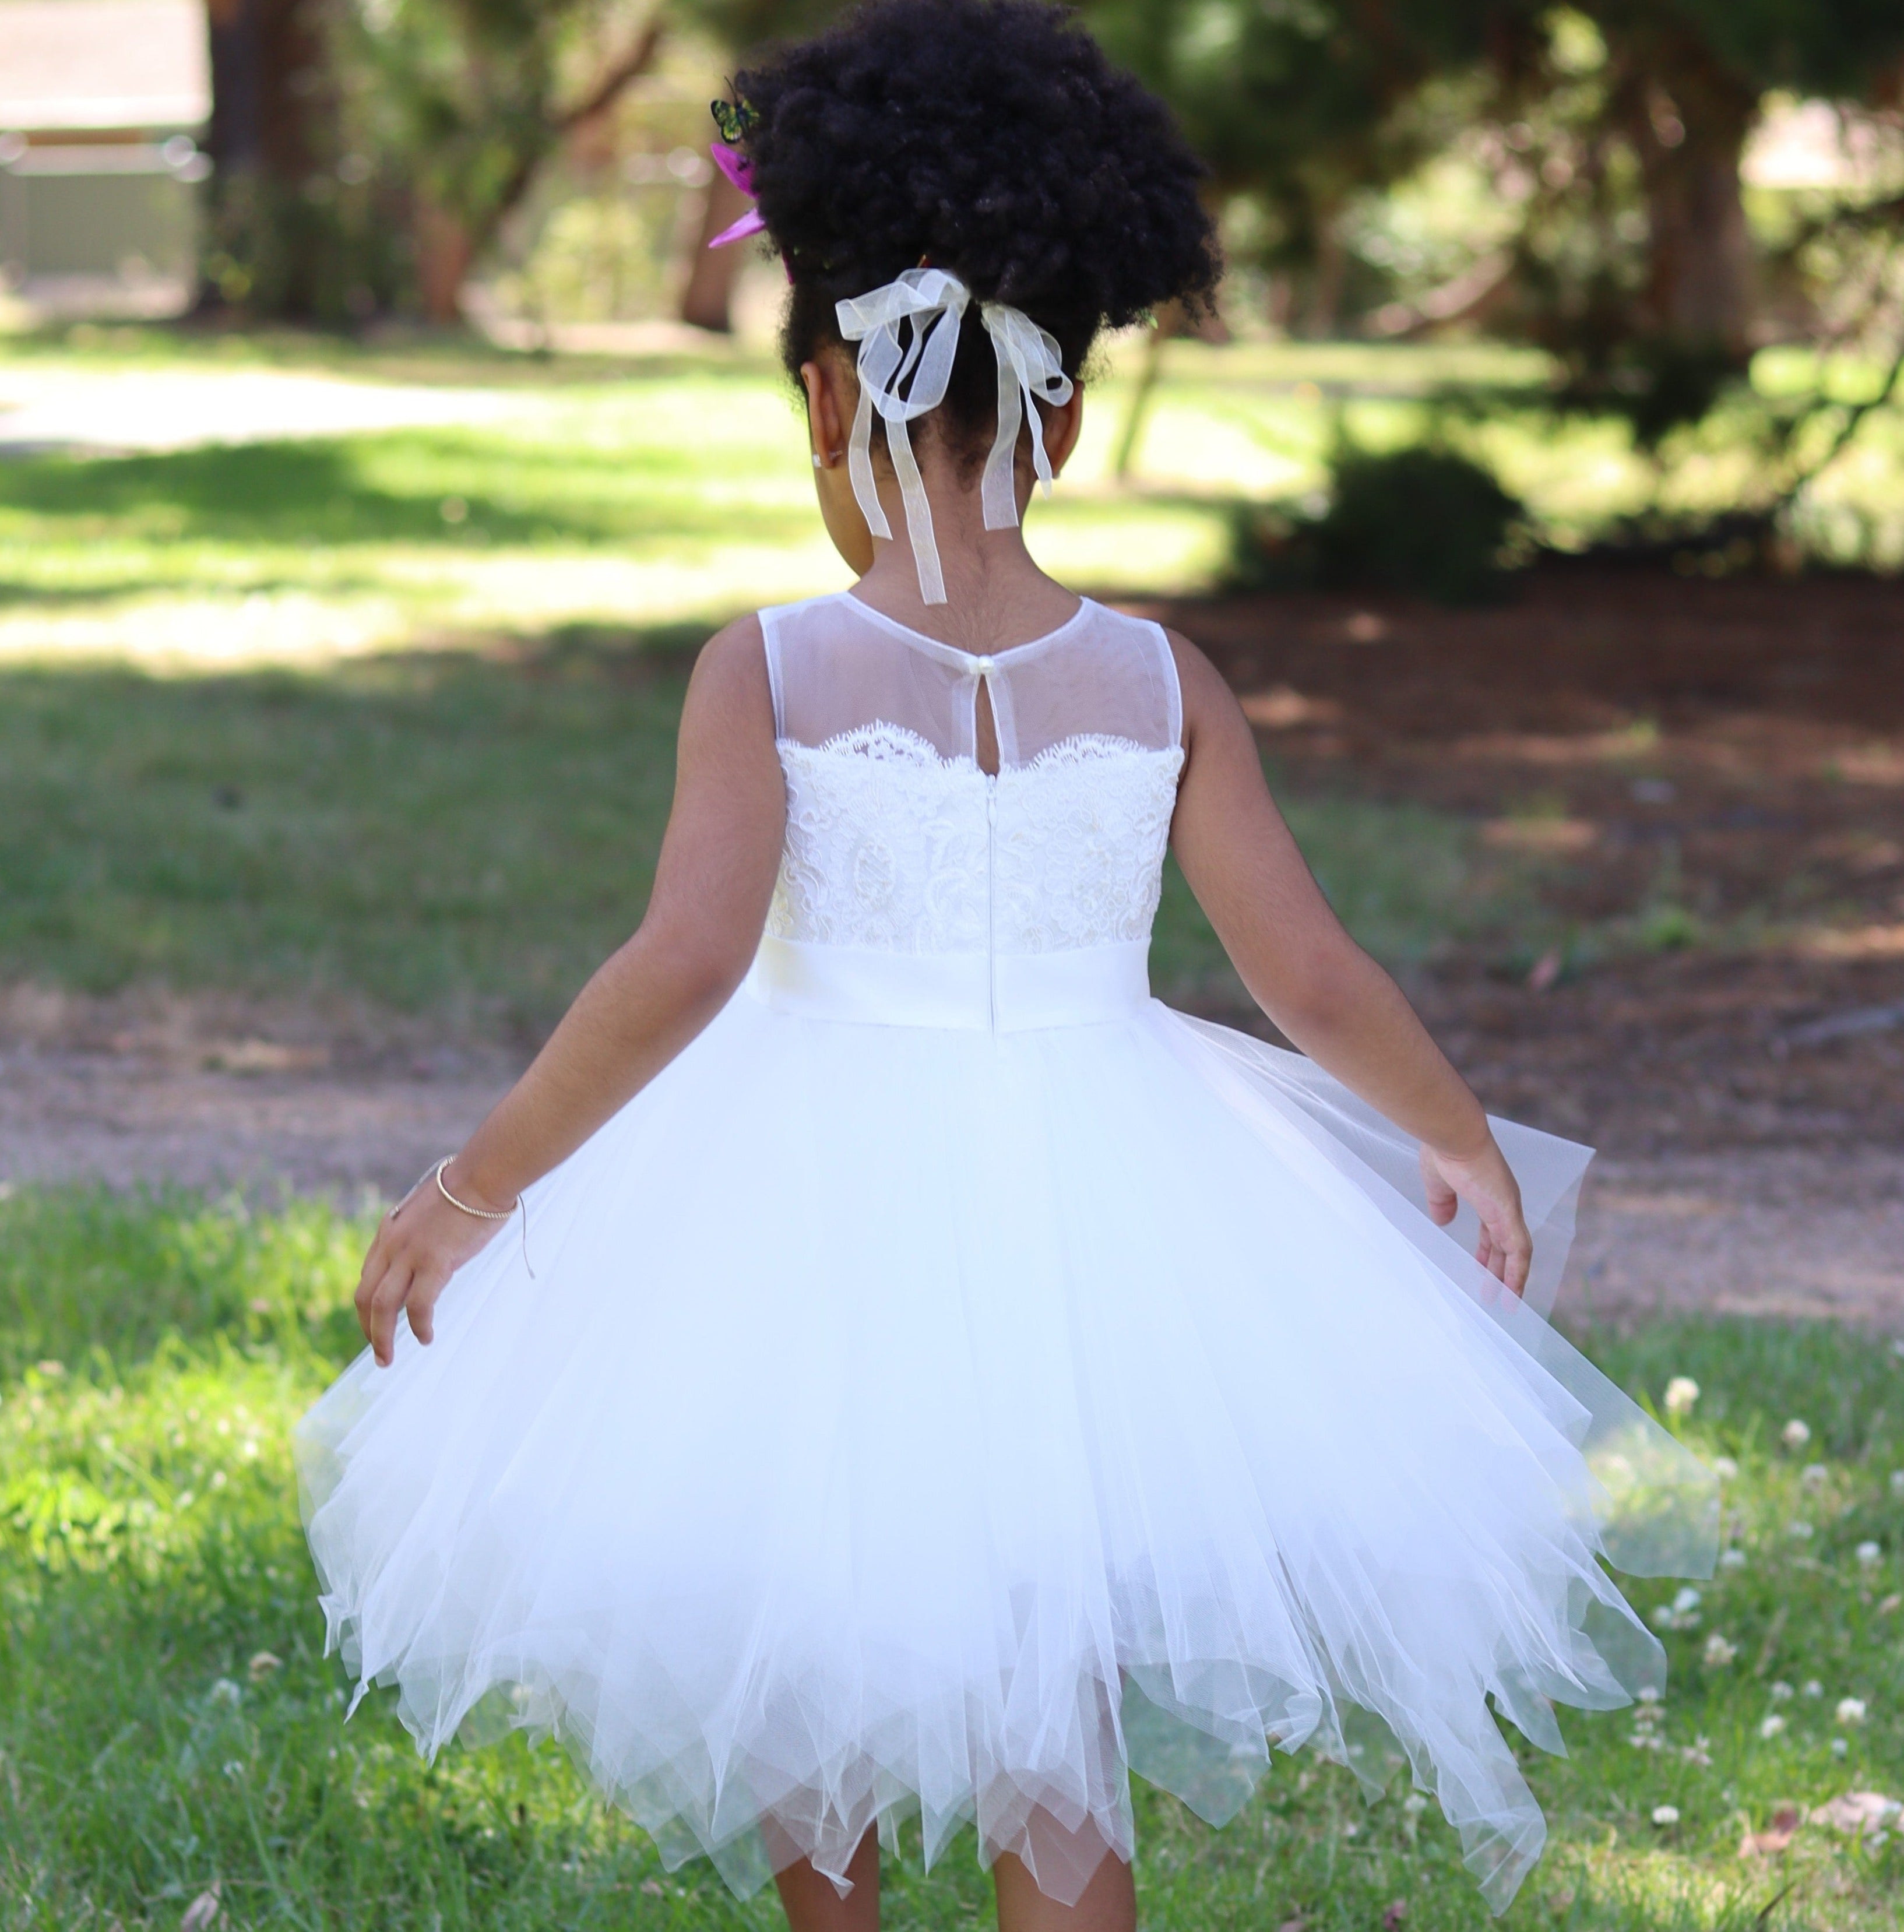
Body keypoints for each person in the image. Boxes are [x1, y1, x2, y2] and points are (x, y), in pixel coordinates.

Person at [295, 4, 1715, 1926]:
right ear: (1057, 410)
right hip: (1096, 1205)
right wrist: (1448, 1136)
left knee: (805, 1647)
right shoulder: (1157, 679)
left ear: (821, 400)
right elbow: (1302, 964)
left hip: (797, 1207)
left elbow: (680, 963)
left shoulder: (773, 670)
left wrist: (476, 1190)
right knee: (1059, 1718)